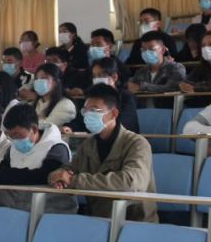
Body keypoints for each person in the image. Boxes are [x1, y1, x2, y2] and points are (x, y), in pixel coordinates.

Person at [49, 83, 156, 221]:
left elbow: (131, 182)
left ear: (114, 113)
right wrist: (57, 177)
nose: (88, 115)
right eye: (86, 111)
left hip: (135, 223)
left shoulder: (137, 143)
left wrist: (74, 180)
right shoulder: (88, 145)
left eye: (94, 110)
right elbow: (68, 169)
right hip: (99, 221)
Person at [0, 103, 71, 211]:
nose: (15, 140)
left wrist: (0, 176)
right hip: (15, 206)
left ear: (34, 129)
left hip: (50, 208)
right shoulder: (13, 148)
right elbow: (1, 168)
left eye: (18, 135)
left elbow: (45, 175)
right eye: (11, 136)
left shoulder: (57, 147)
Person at [64, 57, 139, 133]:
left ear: (114, 77)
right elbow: (80, 120)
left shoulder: (126, 97)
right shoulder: (92, 97)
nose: (97, 79)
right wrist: (70, 127)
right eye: (94, 76)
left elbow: (125, 121)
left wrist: (98, 126)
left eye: (101, 75)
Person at [71, 28, 130, 96]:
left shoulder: (121, 67)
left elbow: (122, 88)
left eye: (98, 44)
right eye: (92, 45)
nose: (94, 48)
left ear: (110, 46)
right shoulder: (91, 66)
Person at [127, 31, 186, 95]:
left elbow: (171, 88)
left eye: (151, 49)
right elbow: (130, 85)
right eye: (144, 49)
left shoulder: (176, 68)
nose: (147, 52)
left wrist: (141, 87)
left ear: (163, 50)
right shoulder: (141, 71)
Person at [180, 30, 211, 95]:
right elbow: (185, 81)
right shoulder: (202, 67)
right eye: (203, 45)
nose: (206, 48)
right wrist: (182, 85)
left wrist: (194, 87)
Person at [32, 63, 76, 128]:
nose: (39, 81)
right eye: (36, 79)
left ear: (56, 82)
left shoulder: (66, 105)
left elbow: (49, 125)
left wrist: (26, 125)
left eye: (44, 78)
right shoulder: (34, 103)